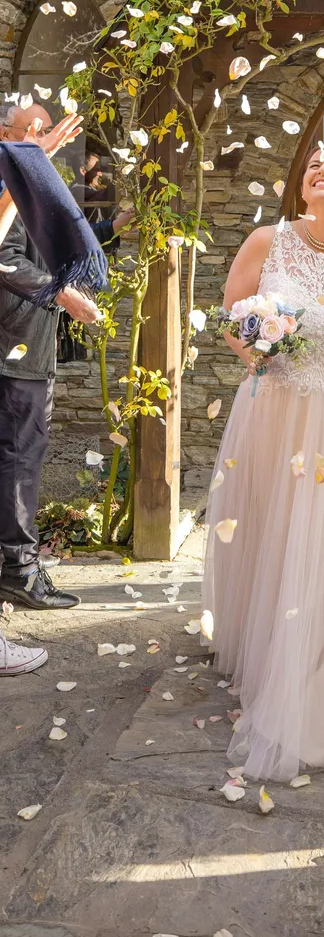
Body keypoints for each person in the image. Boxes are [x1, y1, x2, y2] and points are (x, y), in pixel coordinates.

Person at [202, 141, 324, 781]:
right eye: (312, 163)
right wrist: (255, 350)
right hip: (275, 410)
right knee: (273, 530)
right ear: (300, 184)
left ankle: (320, 670)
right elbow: (232, 314)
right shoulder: (267, 241)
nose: (322, 169)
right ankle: (270, 655)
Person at [0, 102, 121, 613]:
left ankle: (17, 568)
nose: (39, 136)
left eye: (44, 131)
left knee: (22, 455)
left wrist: (114, 226)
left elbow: (60, 245)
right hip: (11, 340)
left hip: (31, 340)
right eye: (28, 129)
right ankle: (19, 571)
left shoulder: (36, 178)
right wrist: (61, 293)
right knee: (18, 458)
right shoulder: (12, 175)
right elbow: (6, 257)